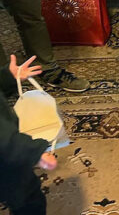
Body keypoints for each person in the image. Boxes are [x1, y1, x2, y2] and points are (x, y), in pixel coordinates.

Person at [0, 54, 57, 214]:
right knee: (27, 199)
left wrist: (6, 78)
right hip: (6, 161)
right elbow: (3, 138)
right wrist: (35, 153)